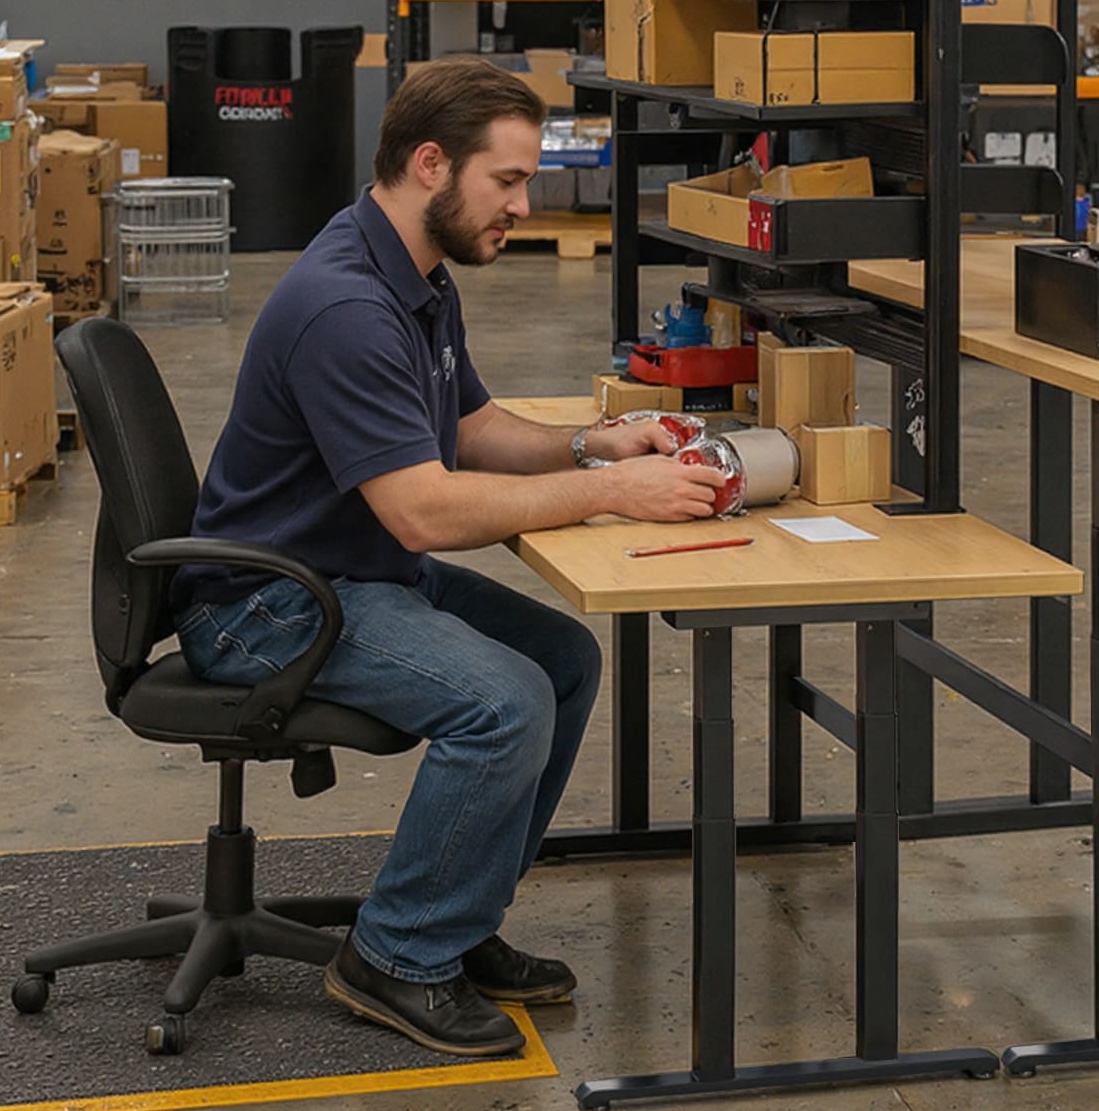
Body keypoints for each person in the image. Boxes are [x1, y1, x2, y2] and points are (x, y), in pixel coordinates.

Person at [172, 58, 728, 1059]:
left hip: (346, 569)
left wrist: (592, 444)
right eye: (507, 180)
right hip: (268, 604)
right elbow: (424, 509)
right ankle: (395, 955)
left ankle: (455, 921)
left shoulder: (412, 273)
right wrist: (612, 492)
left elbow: (467, 426)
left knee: (563, 658)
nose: (523, 203)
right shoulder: (347, 304)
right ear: (431, 163)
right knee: (504, 698)